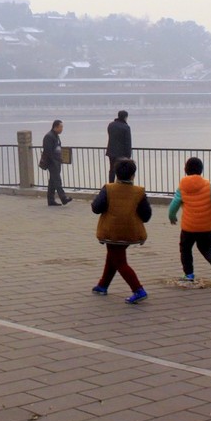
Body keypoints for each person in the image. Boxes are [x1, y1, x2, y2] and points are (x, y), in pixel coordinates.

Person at [91, 158, 152, 303]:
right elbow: (146, 215)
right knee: (113, 256)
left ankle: (138, 289)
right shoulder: (139, 192)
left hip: (111, 231)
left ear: (116, 174)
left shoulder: (108, 188)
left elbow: (96, 208)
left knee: (119, 261)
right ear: (133, 175)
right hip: (130, 232)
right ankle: (103, 285)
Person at [168, 156, 211, 281]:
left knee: (185, 250)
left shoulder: (182, 185)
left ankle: (189, 274)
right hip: (205, 226)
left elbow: (175, 203)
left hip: (189, 227)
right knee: (207, 248)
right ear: (201, 170)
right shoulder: (207, 185)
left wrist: (172, 216)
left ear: (185, 169)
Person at [42, 120, 72, 207]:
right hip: (52, 163)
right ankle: (63, 198)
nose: (62, 129)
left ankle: (51, 200)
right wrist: (54, 162)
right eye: (61, 127)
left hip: (57, 161)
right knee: (57, 181)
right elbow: (48, 151)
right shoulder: (48, 136)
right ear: (56, 127)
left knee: (52, 182)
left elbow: (57, 148)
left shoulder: (56, 136)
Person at [105, 110, 132, 183]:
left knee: (112, 170)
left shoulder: (111, 125)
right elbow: (128, 142)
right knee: (122, 171)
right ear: (125, 117)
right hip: (122, 154)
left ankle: (111, 185)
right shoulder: (126, 127)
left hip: (111, 152)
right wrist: (128, 155)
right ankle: (120, 186)